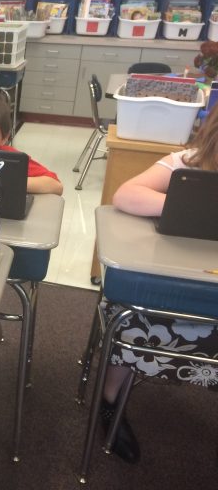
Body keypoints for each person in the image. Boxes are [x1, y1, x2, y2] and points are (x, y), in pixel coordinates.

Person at [100, 106, 218, 465]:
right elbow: (125, 195)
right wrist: (190, 205)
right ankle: (109, 399)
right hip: (177, 284)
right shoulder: (189, 162)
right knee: (134, 313)